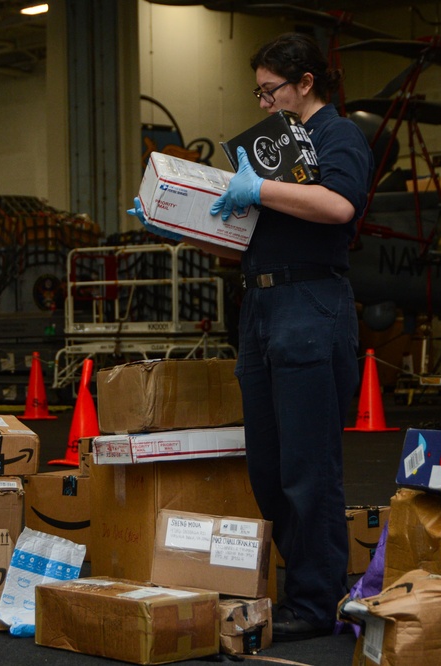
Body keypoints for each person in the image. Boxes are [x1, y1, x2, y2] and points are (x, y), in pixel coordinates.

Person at [130, 32, 373, 641]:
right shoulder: (275, 147)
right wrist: (175, 220)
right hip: (262, 306)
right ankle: (306, 589)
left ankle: (316, 603)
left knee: (308, 468)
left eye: (271, 90)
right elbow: (246, 233)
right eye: (259, 92)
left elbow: (340, 206)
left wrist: (257, 189)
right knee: (267, 466)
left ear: (305, 83)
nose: (263, 103)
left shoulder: (336, 136)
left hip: (310, 304)